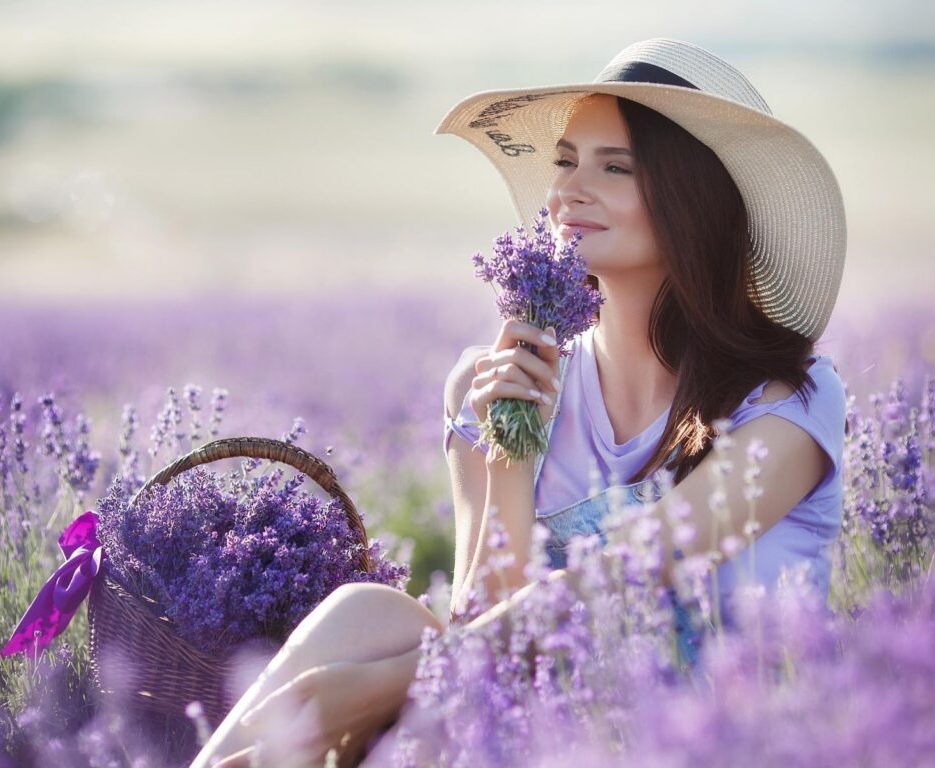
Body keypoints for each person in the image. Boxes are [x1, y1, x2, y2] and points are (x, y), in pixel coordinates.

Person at [192, 37, 848, 768]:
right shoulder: (494, 383)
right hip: (537, 734)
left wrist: (364, 689)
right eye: (565, 161)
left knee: (427, 705)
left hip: (706, 741)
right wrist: (512, 448)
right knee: (368, 614)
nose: (568, 189)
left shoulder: (787, 399)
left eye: (616, 167)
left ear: (694, 203)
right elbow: (482, 627)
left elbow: (628, 574)